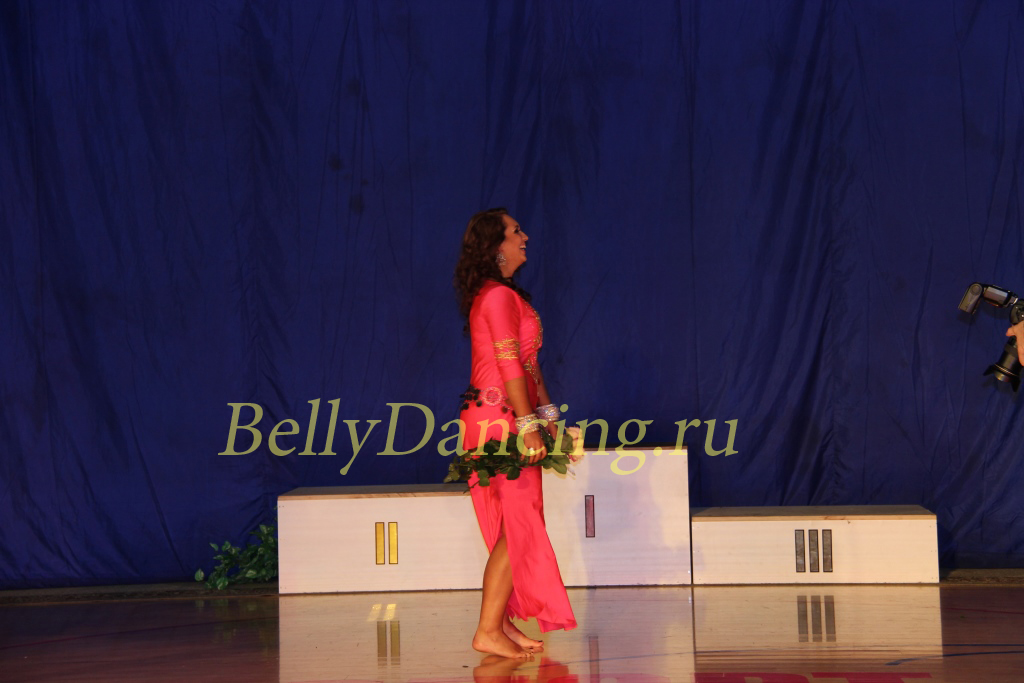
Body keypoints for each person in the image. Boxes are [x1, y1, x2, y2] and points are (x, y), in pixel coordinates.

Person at [453, 207, 577, 660]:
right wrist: (527, 426)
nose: (525, 236)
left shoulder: (504, 295)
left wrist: (549, 418)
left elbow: (529, 365)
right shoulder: (497, 297)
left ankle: (500, 623)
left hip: (506, 413)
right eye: (515, 231)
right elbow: (507, 364)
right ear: (495, 245)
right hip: (497, 418)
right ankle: (488, 629)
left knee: (517, 523)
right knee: (519, 522)